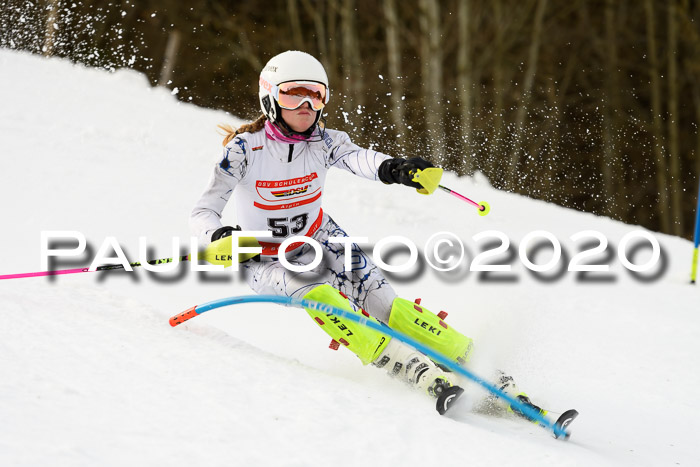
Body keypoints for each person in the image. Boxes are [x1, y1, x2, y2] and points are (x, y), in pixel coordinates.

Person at [190, 50, 544, 417]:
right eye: (294, 94)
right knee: (321, 296)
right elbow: (203, 211)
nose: (307, 105)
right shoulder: (244, 150)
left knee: (386, 305)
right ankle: (407, 365)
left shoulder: (325, 142)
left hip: (322, 239)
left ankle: (477, 366)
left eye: (317, 95)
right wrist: (217, 238)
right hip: (265, 257)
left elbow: (362, 159)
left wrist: (396, 169)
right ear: (270, 97)